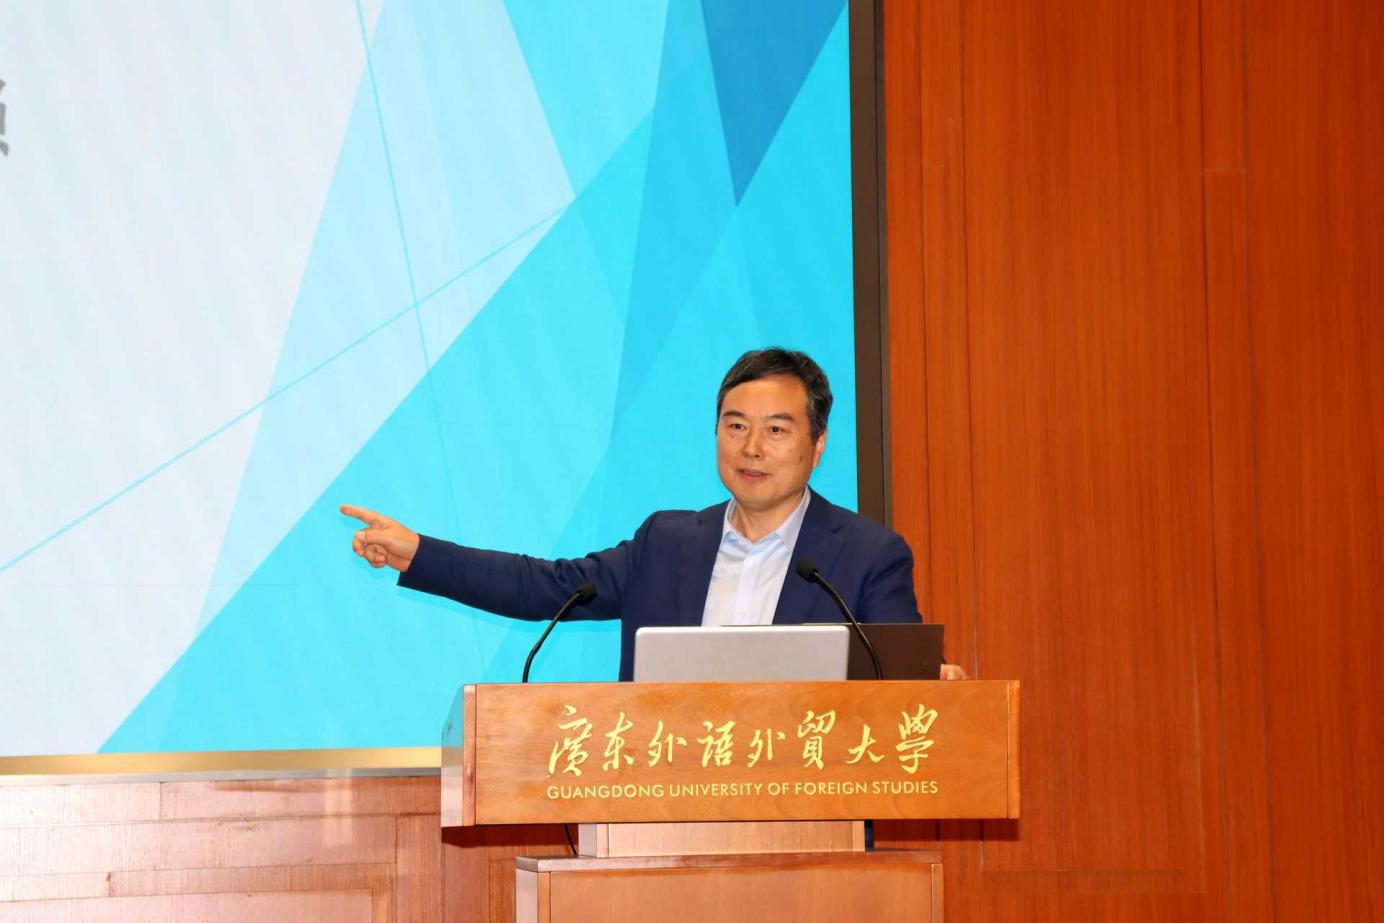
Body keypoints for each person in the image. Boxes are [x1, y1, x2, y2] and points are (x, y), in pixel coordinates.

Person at [343, 347, 966, 680]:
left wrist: (939, 690)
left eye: (776, 430)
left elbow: (905, 682)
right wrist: (419, 553)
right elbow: (544, 586)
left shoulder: (866, 555)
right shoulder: (667, 543)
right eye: (735, 426)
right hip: (663, 815)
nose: (752, 448)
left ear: (818, 443)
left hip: (811, 829)